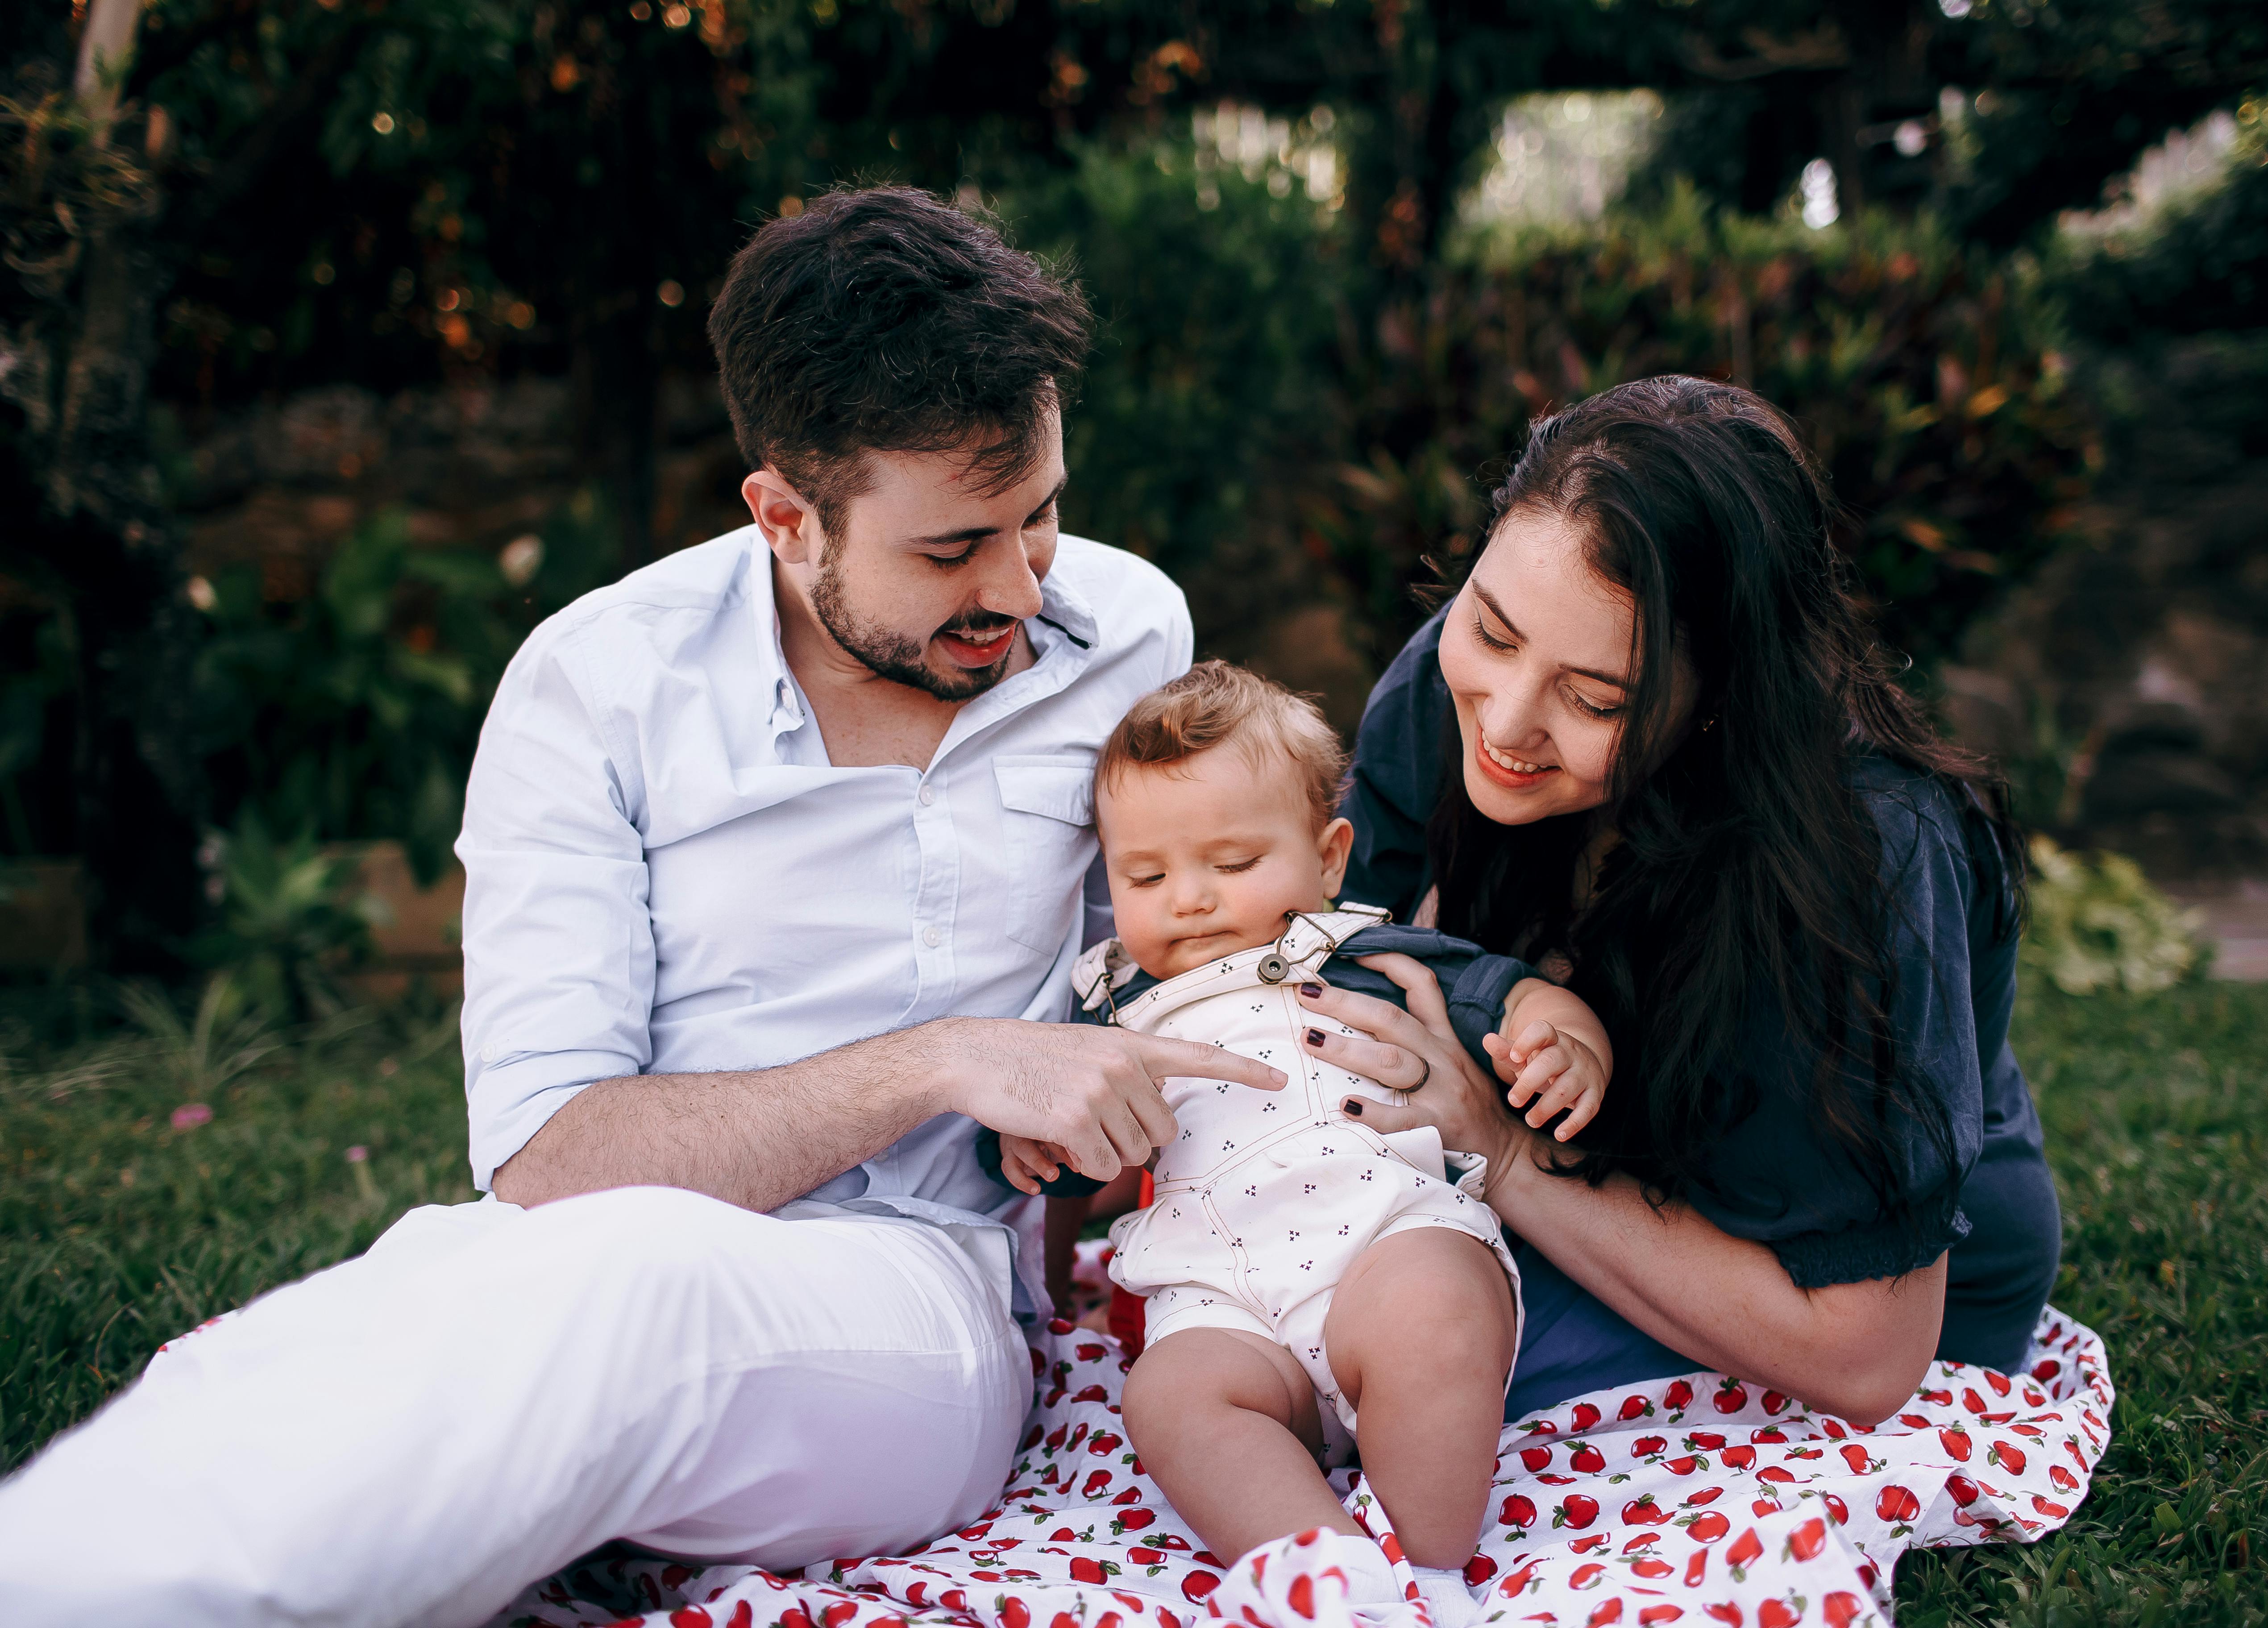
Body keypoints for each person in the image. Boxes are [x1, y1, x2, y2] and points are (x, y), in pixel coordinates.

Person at [0, 188, 1303, 1628]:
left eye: (1041, 514)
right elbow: (552, 1157)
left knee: (629, 1303)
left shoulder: (1127, 631)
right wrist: (942, 1056)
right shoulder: (595, 688)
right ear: (782, 514)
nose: (1016, 583)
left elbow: (1184, 944)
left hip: (920, 1309)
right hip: (592, 1238)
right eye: (950, 551)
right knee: (345, 1332)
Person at [1292, 375, 2062, 1432]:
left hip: (1823, 1300)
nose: (1507, 722)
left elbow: (1865, 1351)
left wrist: (1507, 1157)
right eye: (1492, 629)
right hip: (1592, 1190)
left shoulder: (1866, 853)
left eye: (1598, 698)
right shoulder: (1451, 686)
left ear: (1721, 700)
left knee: (1377, 1382)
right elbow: (1333, 960)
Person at [990, 661, 1608, 1625]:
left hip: (1380, 1241)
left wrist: (1561, 1040)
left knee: (1435, 1311)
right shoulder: (1115, 1014)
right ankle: (1321, 1570)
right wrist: (1042, 1148)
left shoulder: (1358, 953)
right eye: (1146, 877)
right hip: (1222, 1300)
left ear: (1328, 858)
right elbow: (1080, 1143)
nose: (1189, 899)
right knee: (1168, 1399)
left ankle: (1427, 1564)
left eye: (1233, 864)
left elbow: (1517, 989)